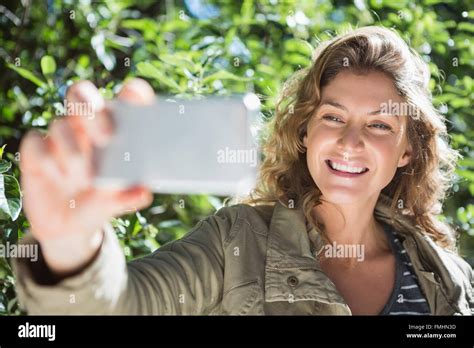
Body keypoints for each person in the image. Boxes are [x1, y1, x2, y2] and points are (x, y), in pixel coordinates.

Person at [13, 26, 473, 315]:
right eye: (333, 117)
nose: (351, 143)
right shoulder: (235, 242)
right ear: (306, 132)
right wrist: (71, 246)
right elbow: (116, 306)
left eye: (378, 125)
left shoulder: (450, 280)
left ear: (408, 151)